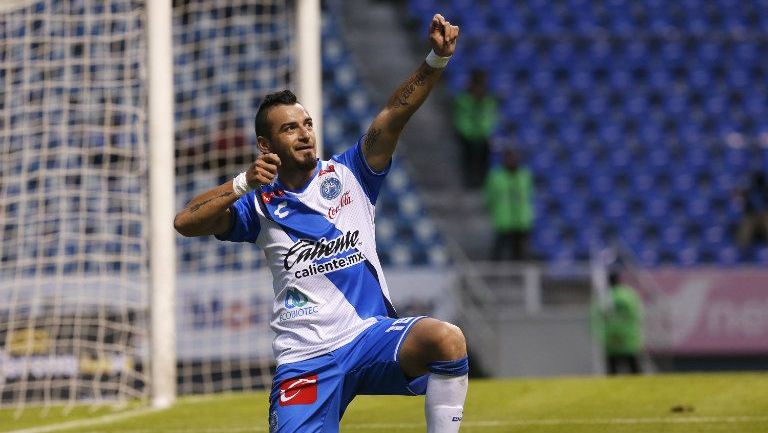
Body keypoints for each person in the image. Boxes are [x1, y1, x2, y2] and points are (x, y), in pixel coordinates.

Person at [174, 14, 467, 433]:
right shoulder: (258, 206)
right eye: (290, 128)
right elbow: (185, 221)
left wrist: (435, 60)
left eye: (307, 124)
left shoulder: (352, 173)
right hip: (306, 358)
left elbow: (392, 116)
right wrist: (241, 183)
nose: (305, 133)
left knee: (447, 339)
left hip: (368, 337)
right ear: (265, 144)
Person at [483, 149, 534, 261]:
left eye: (514, 158)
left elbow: (530, 195)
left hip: (521, 220)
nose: (512, 161)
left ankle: (520, 276)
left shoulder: (524, 176)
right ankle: (495, 276)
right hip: (504, 219)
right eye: (509, 158)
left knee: (520, 253)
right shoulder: (496, 177)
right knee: (499, 251)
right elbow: (489, 196)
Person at [590, 271, 644, 375]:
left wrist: (600, 336)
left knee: (612, 371)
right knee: (634, 370)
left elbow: (595, 318)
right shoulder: (628, 295)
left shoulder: (603, 298)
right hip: (628, 338)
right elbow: (637, 315)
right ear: (619, 280)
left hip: (611, 339)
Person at [452, 68, 498, 189]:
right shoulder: (464, 100)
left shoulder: (488, 100)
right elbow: (462, 118)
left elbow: (490, 117)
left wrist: (487, 132)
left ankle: (483, 183)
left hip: (483, 136)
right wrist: (467, 133)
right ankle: (469, 183)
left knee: (484, 160)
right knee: (469, 159)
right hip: (468, 136)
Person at [735, 171, 768, 252]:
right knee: (747, 224)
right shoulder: (748, 191)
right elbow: (741, 204)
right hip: (751, 216)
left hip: (764, 214)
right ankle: (742, 252)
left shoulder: (765, 190)